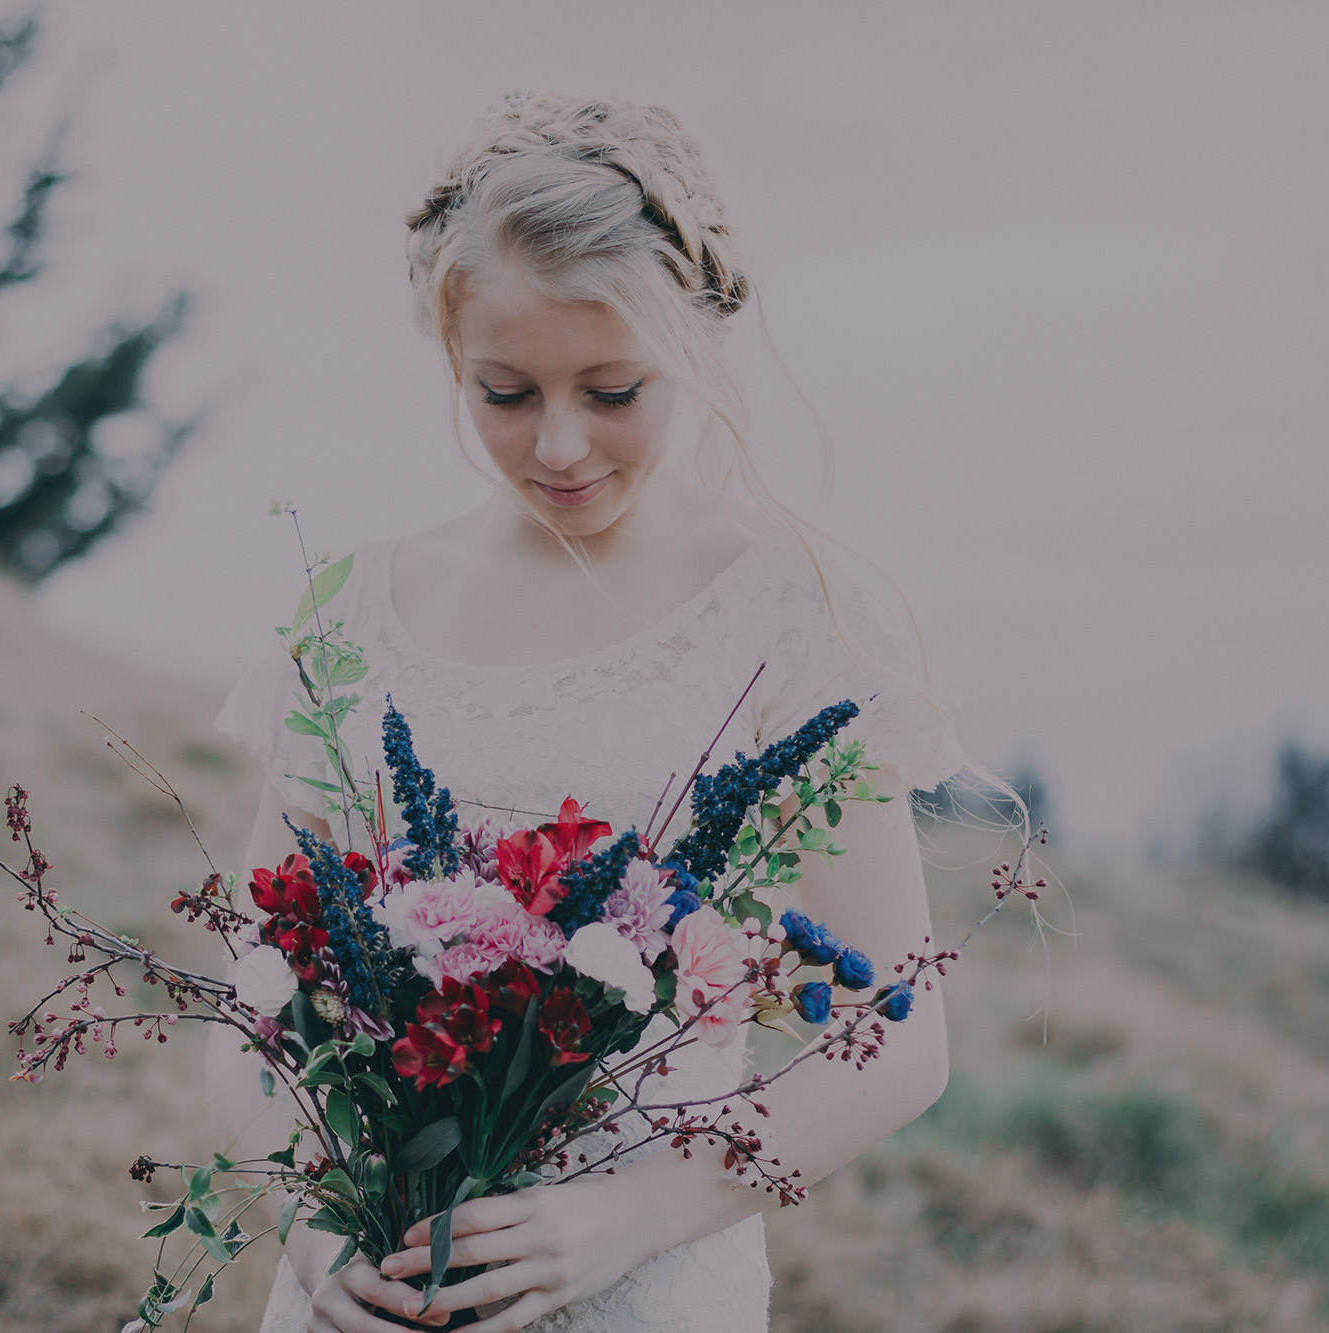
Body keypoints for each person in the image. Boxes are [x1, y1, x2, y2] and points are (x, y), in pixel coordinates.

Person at [211, 92, 965, 1333]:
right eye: (505, 393)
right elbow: (253, 993)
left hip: (640, 1287)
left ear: (695, 346)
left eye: (613, 390)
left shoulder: (788, 613)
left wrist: (628, 1215)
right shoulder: (353, 611)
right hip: (366, 1289)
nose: (559, 444)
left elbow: (896, 1034)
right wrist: (314, 1225)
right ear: (449, 354)